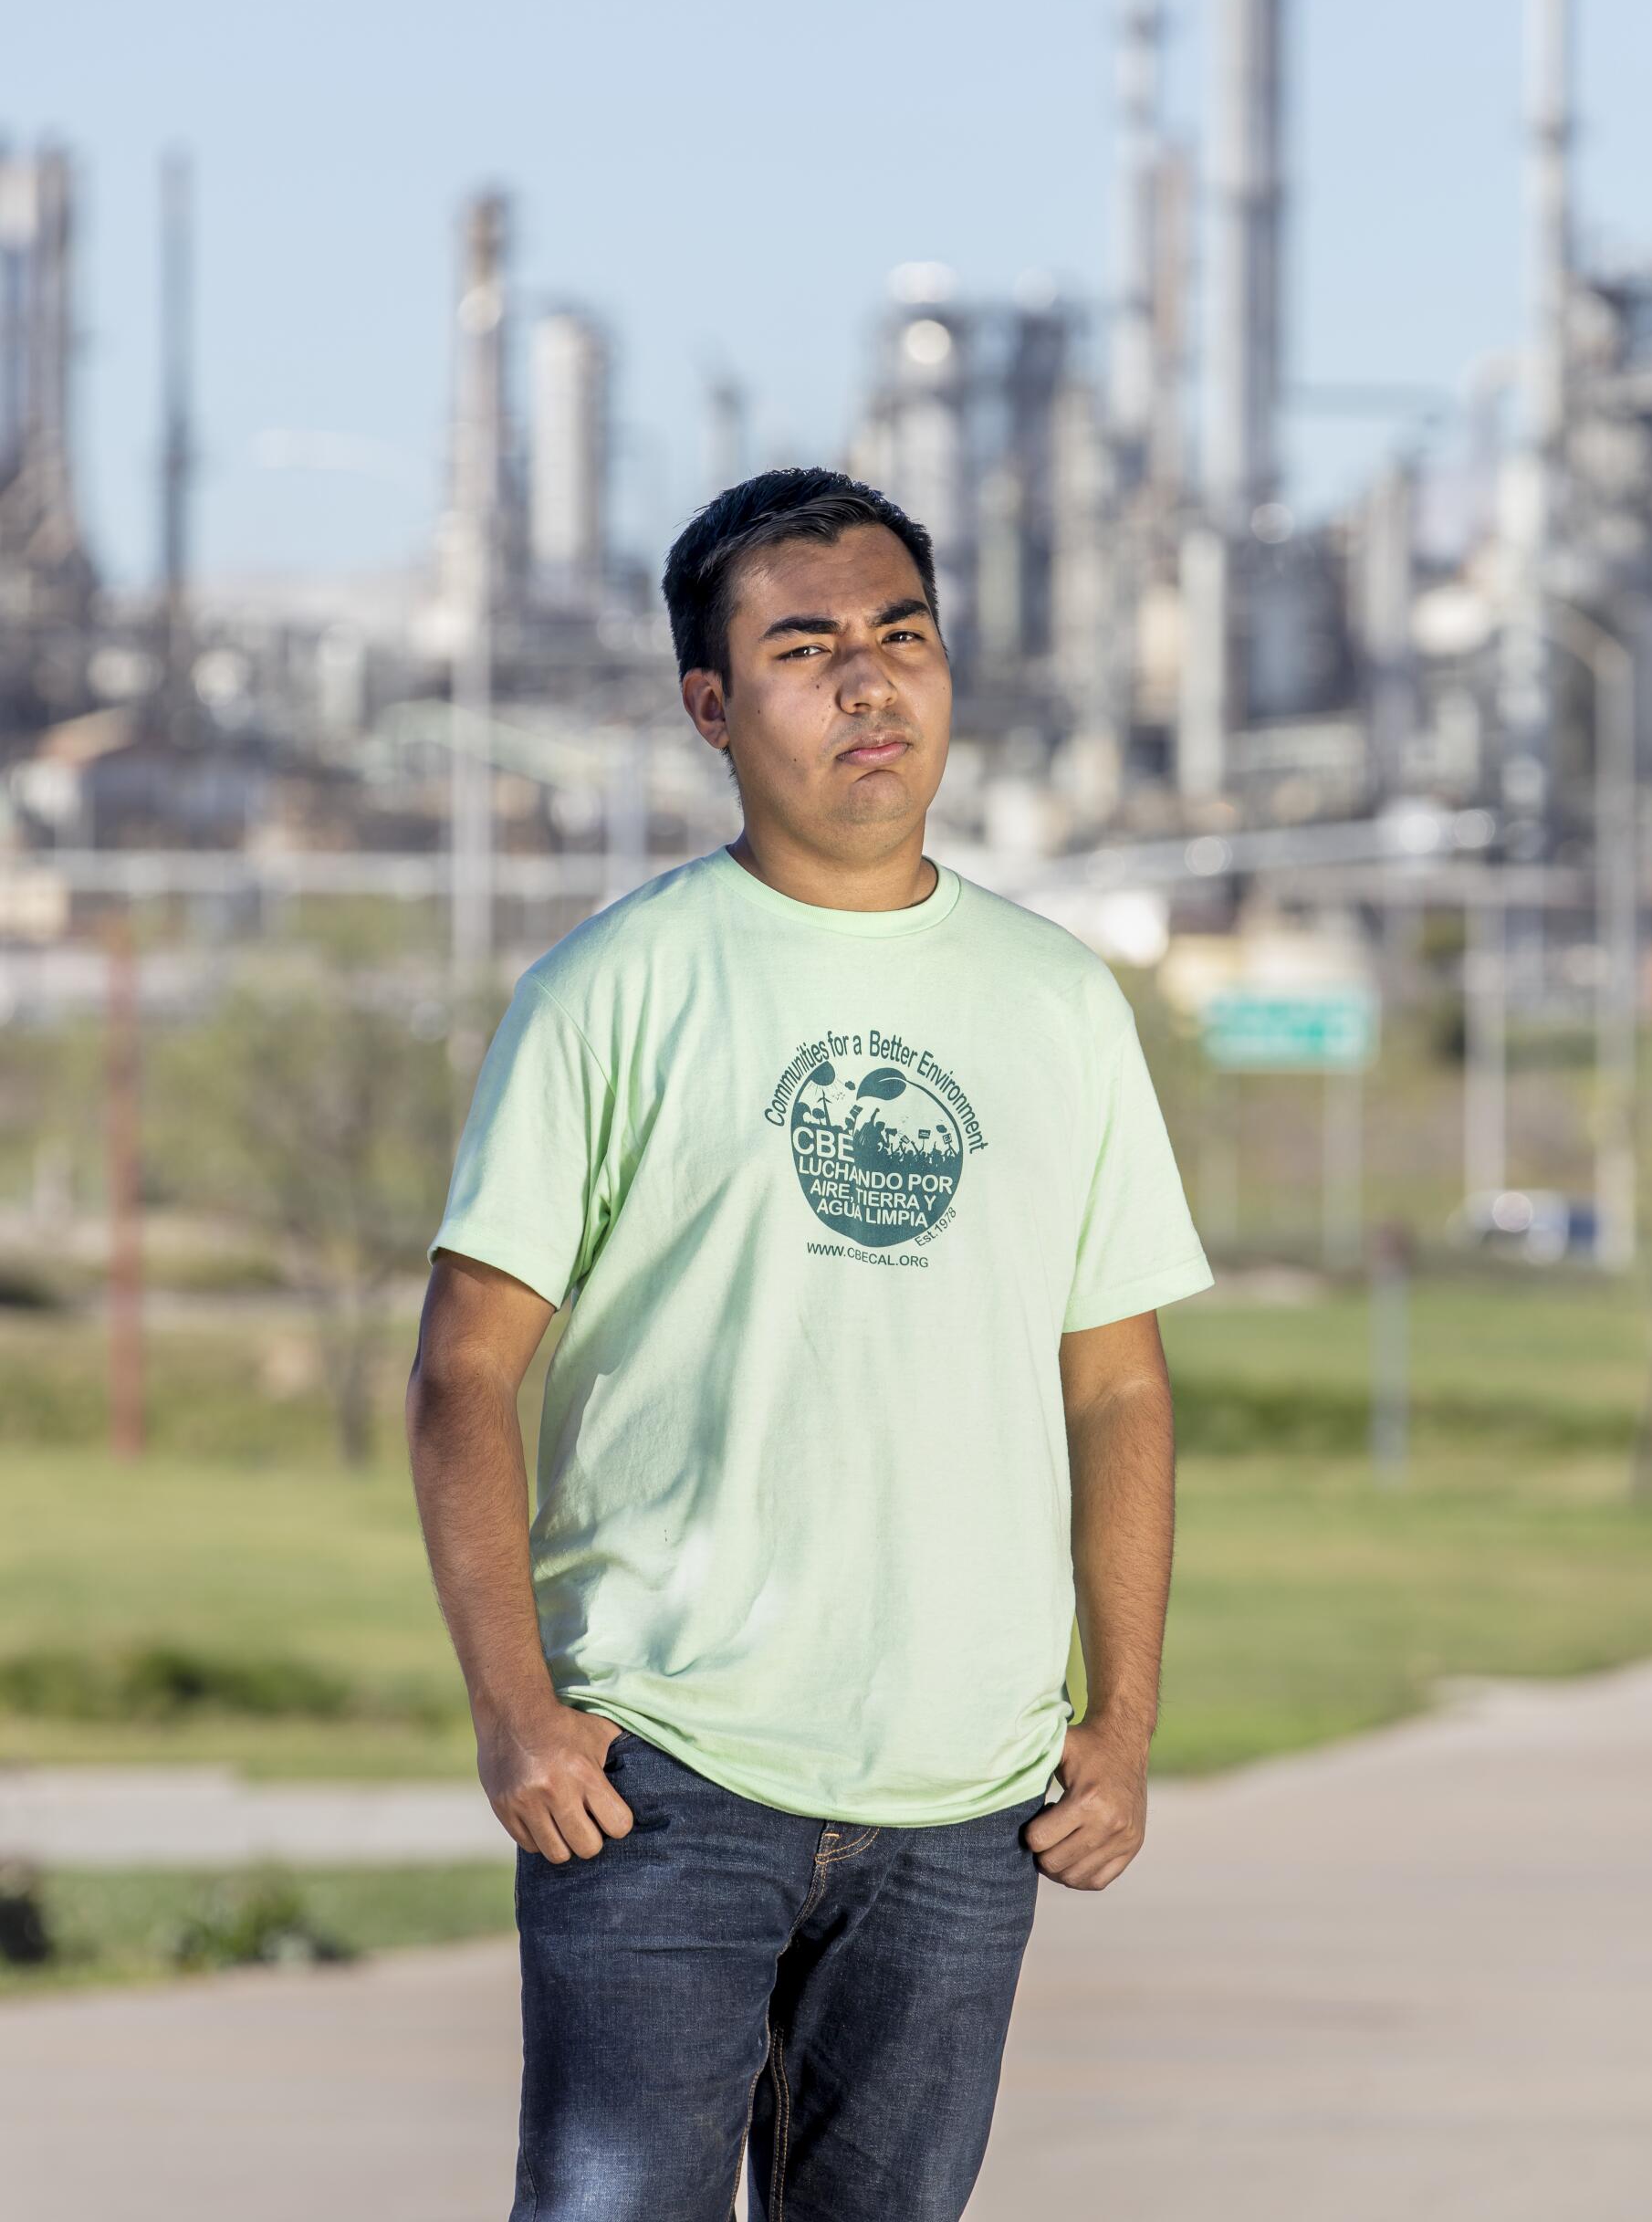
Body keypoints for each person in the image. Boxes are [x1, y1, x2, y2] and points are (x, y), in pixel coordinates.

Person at [407, 468, 1211, 2222]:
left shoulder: (1058, 1002)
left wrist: (1124, 1721)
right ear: (711, 704)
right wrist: (514, 1718)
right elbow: (465, 1368)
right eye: (806, 646)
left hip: (969, 1793)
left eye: (901, 635)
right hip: (662, 1778)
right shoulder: (614, 991)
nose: (870, 682)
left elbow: (1120, 1382)